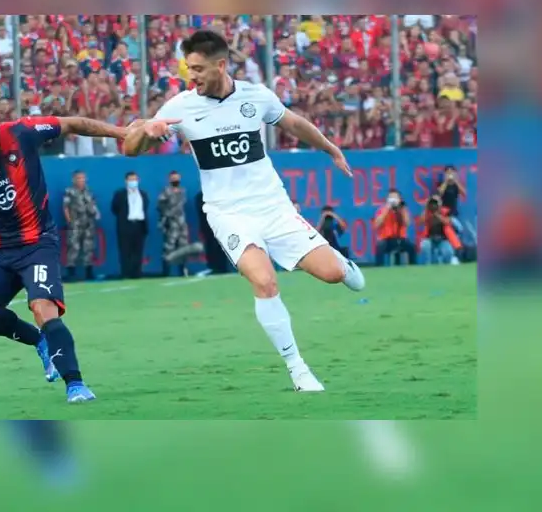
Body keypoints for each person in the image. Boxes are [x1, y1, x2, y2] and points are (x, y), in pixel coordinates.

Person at [123, 29, 365, 393]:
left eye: (199, 69)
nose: (192, 76)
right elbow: (130, 147)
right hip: (228, 213)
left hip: (273, 205)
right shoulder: (180, 107)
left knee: (331, 274)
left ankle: (344, 265)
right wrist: (147, 132)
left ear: (221, 65)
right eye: (189, 69)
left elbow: (294, 124)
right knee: (265, 281)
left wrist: (331, 148)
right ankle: (298, 370)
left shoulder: (256, 96)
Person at [0, 102, 175, 403]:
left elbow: (75, 123)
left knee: (43, 308)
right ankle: (39, 343)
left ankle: (76, 384)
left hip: (37, 245)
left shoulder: (23, 133)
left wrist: (123, 132)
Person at [110, 172, 149, 279]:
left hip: (139, 225)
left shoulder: (143, 194)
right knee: (125, 251)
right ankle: (125, 273)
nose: (133, 182)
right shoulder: (120, 194)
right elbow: (114, 208)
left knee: (138, 251)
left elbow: (145, 207)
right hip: (126, 225)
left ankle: (137, 273)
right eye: (131, 179)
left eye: (135, 179)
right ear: (126, 181)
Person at [62, 170, 100, 281]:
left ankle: (89, 272)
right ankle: (71, 273)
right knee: (73, 247)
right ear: (73, 179)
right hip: (75, 224)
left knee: (89, 247)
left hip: (88, 224)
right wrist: (69, 221)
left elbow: (93, 205)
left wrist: (96, 214)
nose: (81, 180)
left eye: (83, 178)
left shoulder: (89, 191)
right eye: (78, 178)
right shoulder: (69, 191)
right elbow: (65, 207)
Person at [158, 170, 190, 276]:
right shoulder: (165, 191)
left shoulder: (182, 191)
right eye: (173, 178)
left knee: (183, 248)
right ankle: (166, 272)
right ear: (169, 179)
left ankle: (183, 270)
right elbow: (160, 207)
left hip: (181, 224)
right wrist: (166, 218)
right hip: (171, 224)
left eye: (177, 178)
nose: (175, 180)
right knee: (168, 248)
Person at [373, 189, 417, 266]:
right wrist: (387, 209)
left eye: (395, 198)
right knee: (379, 246)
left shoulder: (403, 209)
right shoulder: (383, 210)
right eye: (391, 197)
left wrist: (401, 211)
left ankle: (413, 267)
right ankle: (379, 268)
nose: (393, 200)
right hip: (387, 240)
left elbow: (407, 223)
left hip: (401, 239)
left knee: (411, 246)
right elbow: (376, 224)